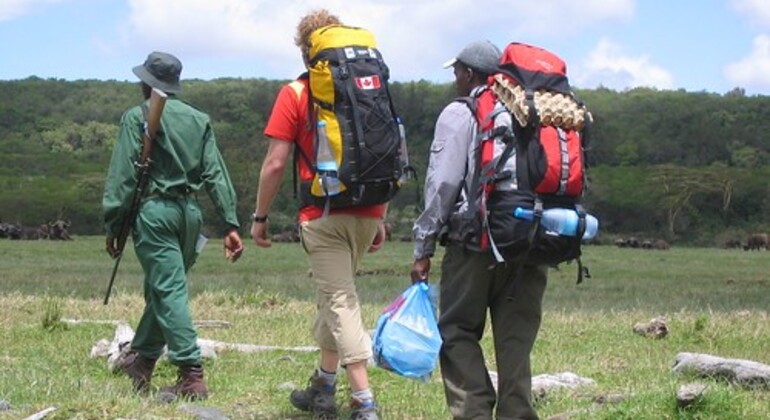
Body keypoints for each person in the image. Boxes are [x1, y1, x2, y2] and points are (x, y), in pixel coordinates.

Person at [250, 9, 387, 420]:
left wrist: (260, 217)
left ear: (305, 51)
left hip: (323, 213)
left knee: (340, 301)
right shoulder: (367, 91)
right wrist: (380, 215)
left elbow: (276, 163)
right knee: (333, 296)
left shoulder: (295, 93)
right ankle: (323, 385)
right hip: (368, 209)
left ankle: (363, 401)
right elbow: (384, 152)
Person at [410, 41, 549, 420]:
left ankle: (473, 412)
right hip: (531, 241)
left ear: (470, 73)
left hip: (475, 243)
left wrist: (423, 247)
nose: (455, 78)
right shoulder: (533, 109)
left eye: (457, 71)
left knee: (457, 330)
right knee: (516, 339)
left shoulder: (460, 112)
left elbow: (442, 184)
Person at [102, 51, 244, 401]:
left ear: (145, 82)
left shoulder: (135, 117)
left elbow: (123, 177)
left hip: (154, 211)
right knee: (164, 290)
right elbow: (216, 174)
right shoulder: (199, 120)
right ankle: (142, 360)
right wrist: (230, 222)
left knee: (167, 290)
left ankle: (190, 372)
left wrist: (114, 225)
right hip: (190, 215)